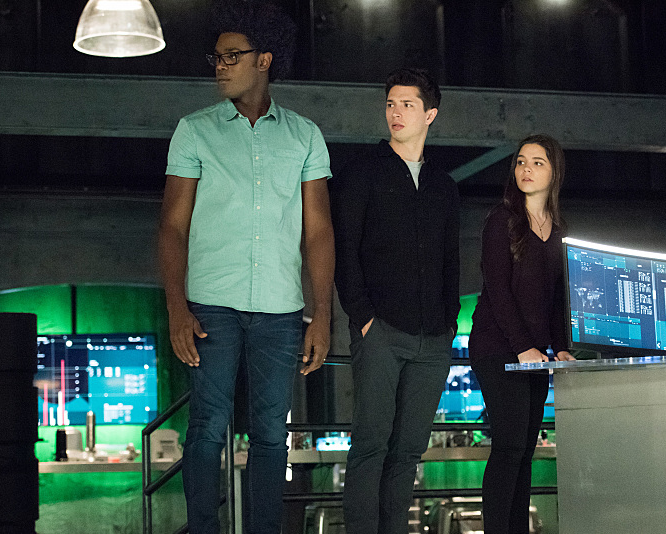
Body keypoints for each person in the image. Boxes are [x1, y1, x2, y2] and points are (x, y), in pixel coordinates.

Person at [157, 2, 334, 532]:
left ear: (265, 60)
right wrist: (176, 308)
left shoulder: (305, 135)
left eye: (232, 56)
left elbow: (318, 231)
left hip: (281, 309)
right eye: (216, 57)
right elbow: (172, 227)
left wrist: (323, 316)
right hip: (210, 305)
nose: (220, 66)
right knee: (207, 427)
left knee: (271, 436)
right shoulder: (194, 131)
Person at [331, 67, 461, 534]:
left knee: (408, 452)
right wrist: (363, 317)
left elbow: (451, 259)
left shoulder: (443, 185)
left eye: (407, 104)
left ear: (430, 114)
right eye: (390, 103)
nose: (396, 112)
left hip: (434, 338)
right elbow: (345, 249)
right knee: (370, 447)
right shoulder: (362, 174)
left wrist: (450, 322)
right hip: (380, 331)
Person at [468, 134, 575, 534]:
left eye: (537, 162)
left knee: (525, 451)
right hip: (497, 347)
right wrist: (523, 346)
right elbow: (498, 289)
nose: (526, 169)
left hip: (535, 354)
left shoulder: (558, 229)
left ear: (554, 172)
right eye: (520, 162)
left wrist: (560, 347)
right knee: (509, 446)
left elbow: (557, 297)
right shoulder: (502, 220)